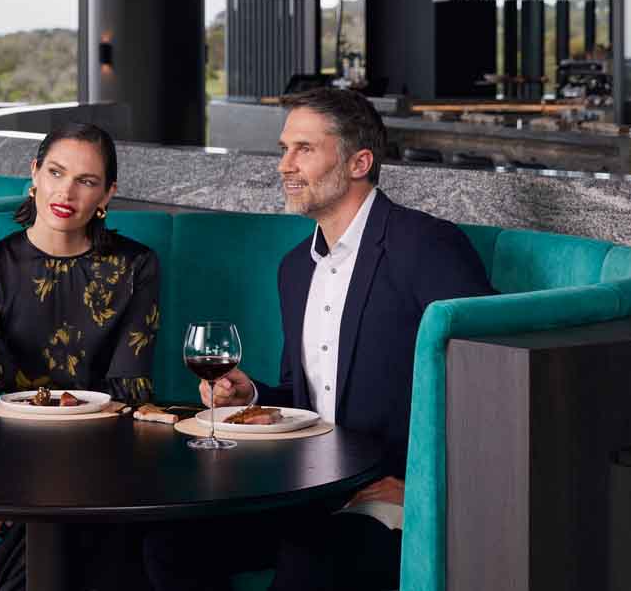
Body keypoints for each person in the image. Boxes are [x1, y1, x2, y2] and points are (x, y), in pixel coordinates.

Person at [144, 88, 492, 591]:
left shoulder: (426, 246)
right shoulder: (295, 269)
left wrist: (424, 489)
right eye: (284, 148)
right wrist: (251, 397)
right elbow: (303, 398)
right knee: (169, 543)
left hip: (390, 492)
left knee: (309, 562)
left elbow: (488, 383)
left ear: (359, 163)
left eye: (303, 149)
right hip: (308, 487)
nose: (284, 164)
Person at [0, 122, 161, 591]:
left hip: (100, 462)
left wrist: (60, 475)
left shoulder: (136, 266)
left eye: (86, 181)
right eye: (56, 172)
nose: (66, 192)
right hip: (1, 464)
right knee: (43, 536)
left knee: (82, 531)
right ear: (35, 174)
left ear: (107, 194)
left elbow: (128, 389)